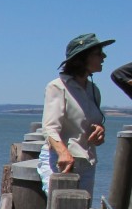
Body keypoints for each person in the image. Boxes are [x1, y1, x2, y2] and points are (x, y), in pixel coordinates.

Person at [38, 33, 115, 199]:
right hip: (61, 162)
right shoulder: (58, 87)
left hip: (87, 163)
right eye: (99, 53)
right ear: (82, 58)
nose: (104, 56)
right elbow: (50, 128)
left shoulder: (94, 90)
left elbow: (92, 123)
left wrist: (99, 130)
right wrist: (63, 153)